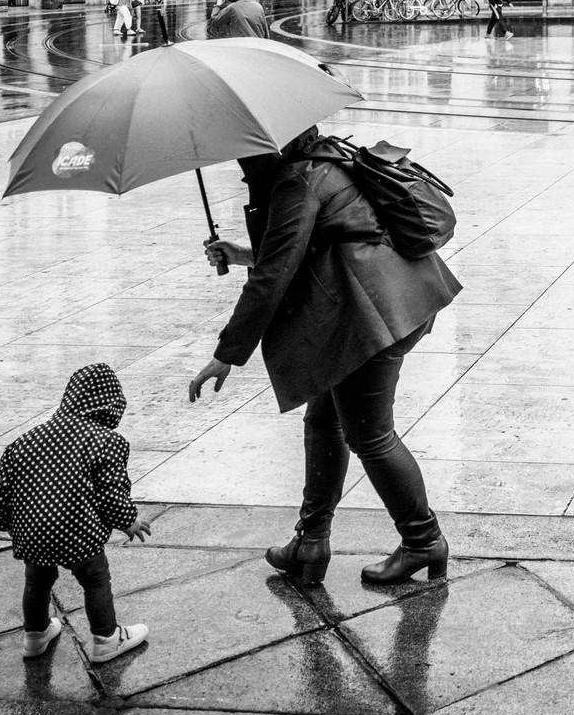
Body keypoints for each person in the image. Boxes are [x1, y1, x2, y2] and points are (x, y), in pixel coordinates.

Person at [188, 127, 461, 586]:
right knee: (323, 419)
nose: (240, 161)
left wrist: (227, 353)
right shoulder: (322, 159)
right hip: (384, 300)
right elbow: (314, 241)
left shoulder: (297, 179)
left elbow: (275, 272)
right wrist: (242, 253)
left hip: (372, 316)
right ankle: (311, 540)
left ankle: (423, 540)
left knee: (370, 435)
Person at [0, 363, 152, 664]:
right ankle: (106, 639)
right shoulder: (106, 441)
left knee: (37, 581)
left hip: (32, 530)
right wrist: (128, 521)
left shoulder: (25, 441)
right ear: (112, 403)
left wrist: (6, 523)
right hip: (78, 529)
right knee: (95, 579)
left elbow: (0, 487)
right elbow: (110, 492)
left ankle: (35, 635)